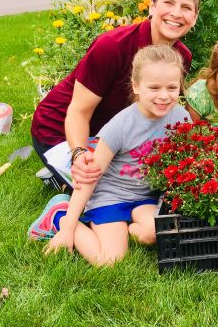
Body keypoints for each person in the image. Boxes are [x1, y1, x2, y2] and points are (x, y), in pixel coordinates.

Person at [30, 0, 199, 193]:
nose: (176, 13)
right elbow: (79, 112)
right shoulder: (111, 46)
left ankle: (64, 173)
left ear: (195, 17)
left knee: (145, 187)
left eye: (186, 7)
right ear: (151, 7)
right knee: (108, 194)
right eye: (168, 2)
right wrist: (79, 154)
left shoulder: (182, 57)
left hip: (112, 137)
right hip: (59, 129)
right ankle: (58, 180)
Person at [28, 45, 191, 266]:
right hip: (110, 196)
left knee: (153, 234)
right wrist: (67, 230)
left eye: (172, 87)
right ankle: (61, 215)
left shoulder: (181, 118)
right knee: (109, 261)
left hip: (146, 197)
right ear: (136, 86)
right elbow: (89, 177)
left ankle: (124, 228)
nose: (164, 96)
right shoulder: (120, 125)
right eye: (154, 87)